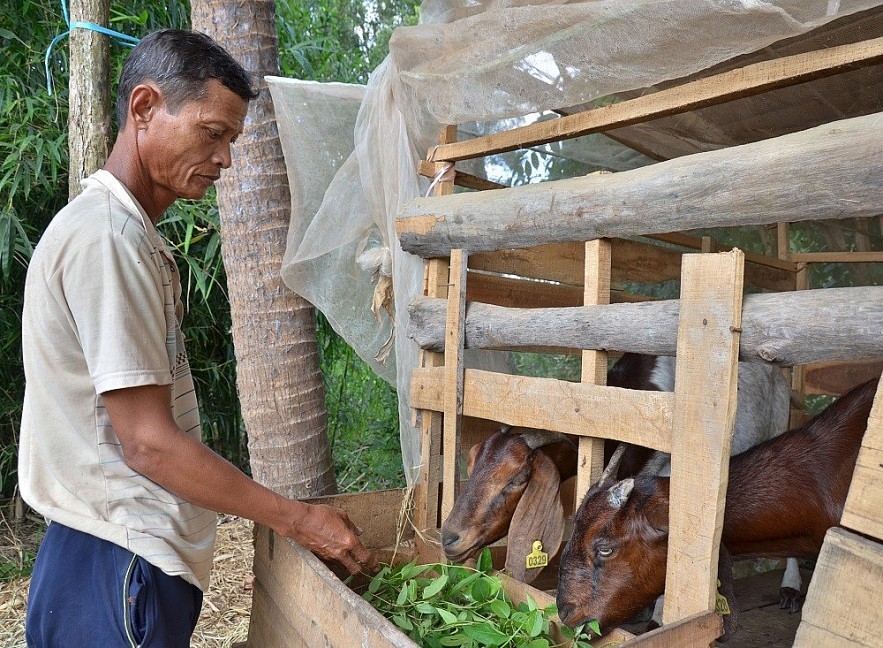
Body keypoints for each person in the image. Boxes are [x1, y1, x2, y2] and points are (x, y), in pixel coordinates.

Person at [19, 28, 378, 647]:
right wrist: (298, 520)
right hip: (119, 555)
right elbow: (149, 446)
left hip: (95, 550)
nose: (226, 160)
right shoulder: (110, 240)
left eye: (232, 140)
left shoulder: (118, 232)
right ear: (144, 108)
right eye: (213, 133)